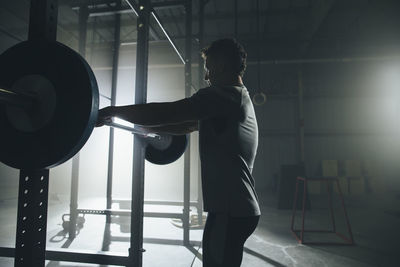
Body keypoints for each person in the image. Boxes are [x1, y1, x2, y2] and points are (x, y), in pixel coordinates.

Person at [97, 38, 260, 267]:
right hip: (237, 208)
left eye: (209, 68)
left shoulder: (222, 96)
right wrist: (148, 128)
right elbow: (186, 125)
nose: (206, 77)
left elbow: (169, 112)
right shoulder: (235, 99)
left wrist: (113, 111)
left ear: (222, 66)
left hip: (230, 209)